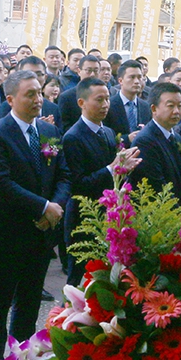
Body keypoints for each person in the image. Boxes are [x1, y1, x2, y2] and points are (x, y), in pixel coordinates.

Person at [0, 71, 71, 360]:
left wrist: (55, 207)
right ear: (10, 99)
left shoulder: (48, 131)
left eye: (40, 94)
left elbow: (64, 174)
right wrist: (42, 206)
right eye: (30, 94)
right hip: (8, 232)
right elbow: (1, 184)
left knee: (29, 303)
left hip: (41, 233)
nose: (38, 100)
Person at [61, 78, 141, 285]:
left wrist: (124, 168)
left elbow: (114, 173)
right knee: (79, 280)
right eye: (99, 100)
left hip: (109, 216)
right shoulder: (73, 137)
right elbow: (78, 184)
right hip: (83, 217)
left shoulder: (108, 132)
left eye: (107, 99)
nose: (105, 105)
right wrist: (111, 168)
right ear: (81, 103)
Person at [130, 82, 181, 202]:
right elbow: (156, 188)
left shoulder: (176, 137)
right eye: (170, 106)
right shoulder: (145, 142)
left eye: (180, 106)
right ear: (154, 109)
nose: (176, 111)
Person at [0, 56, 62, 131]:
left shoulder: (53, 108)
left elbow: (58, 138)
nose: (34, 78)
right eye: (28, 74)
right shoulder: (8, 105)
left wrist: (46, 131)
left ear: (45, 78)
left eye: (39, 74)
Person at [105, 60, 151, 144]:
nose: (137, 81)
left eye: (139, 77)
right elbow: (104, 137)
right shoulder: (109, 105)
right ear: (120, 81)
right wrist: (127, 139)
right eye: (132, 77)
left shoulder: (146, 106)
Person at [58, 55, 101, 131]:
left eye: (96, 70)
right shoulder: (66, 97)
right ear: (79, 71)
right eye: (88, 70)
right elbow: (64, 126)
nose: (92, 74)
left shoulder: (104, 95)